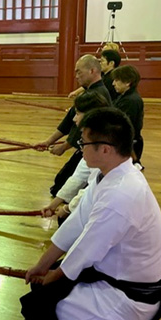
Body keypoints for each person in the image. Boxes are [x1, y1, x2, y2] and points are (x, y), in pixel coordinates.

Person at [22, 107, 161, 320]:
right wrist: (43, 265)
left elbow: (86, 250)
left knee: (45, 312)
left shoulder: (122, 194)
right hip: (116, 270)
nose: (80, 147)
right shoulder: (106, 175)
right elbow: (76, 223)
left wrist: (51, 278)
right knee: (39, 296)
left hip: (132, 296)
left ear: (105, 148)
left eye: (84, 142)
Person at [35, 55, 112, 197]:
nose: (76, 76)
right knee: (59, 186)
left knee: (60, 190)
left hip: (92, 150)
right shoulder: (88, 92)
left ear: (92, 71)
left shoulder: (98, 95)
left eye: (79, 72)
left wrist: (64, 147)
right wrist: (48, 142)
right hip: (83, 147)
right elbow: (68, 121)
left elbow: (80, 129)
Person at [41, 92, 109, 224]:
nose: (74, 119)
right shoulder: (92, 139)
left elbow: (94, 188)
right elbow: (78, 177)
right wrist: (54, 205)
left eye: (77, 114)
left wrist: (68, 208)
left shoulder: (102, 147)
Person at [112, 65, 145, 164]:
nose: (113, 83)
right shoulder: (124, 97)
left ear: (127, 82)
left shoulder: (131, 101)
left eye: (117, 80)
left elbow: (124, 127)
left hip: (128, 145)